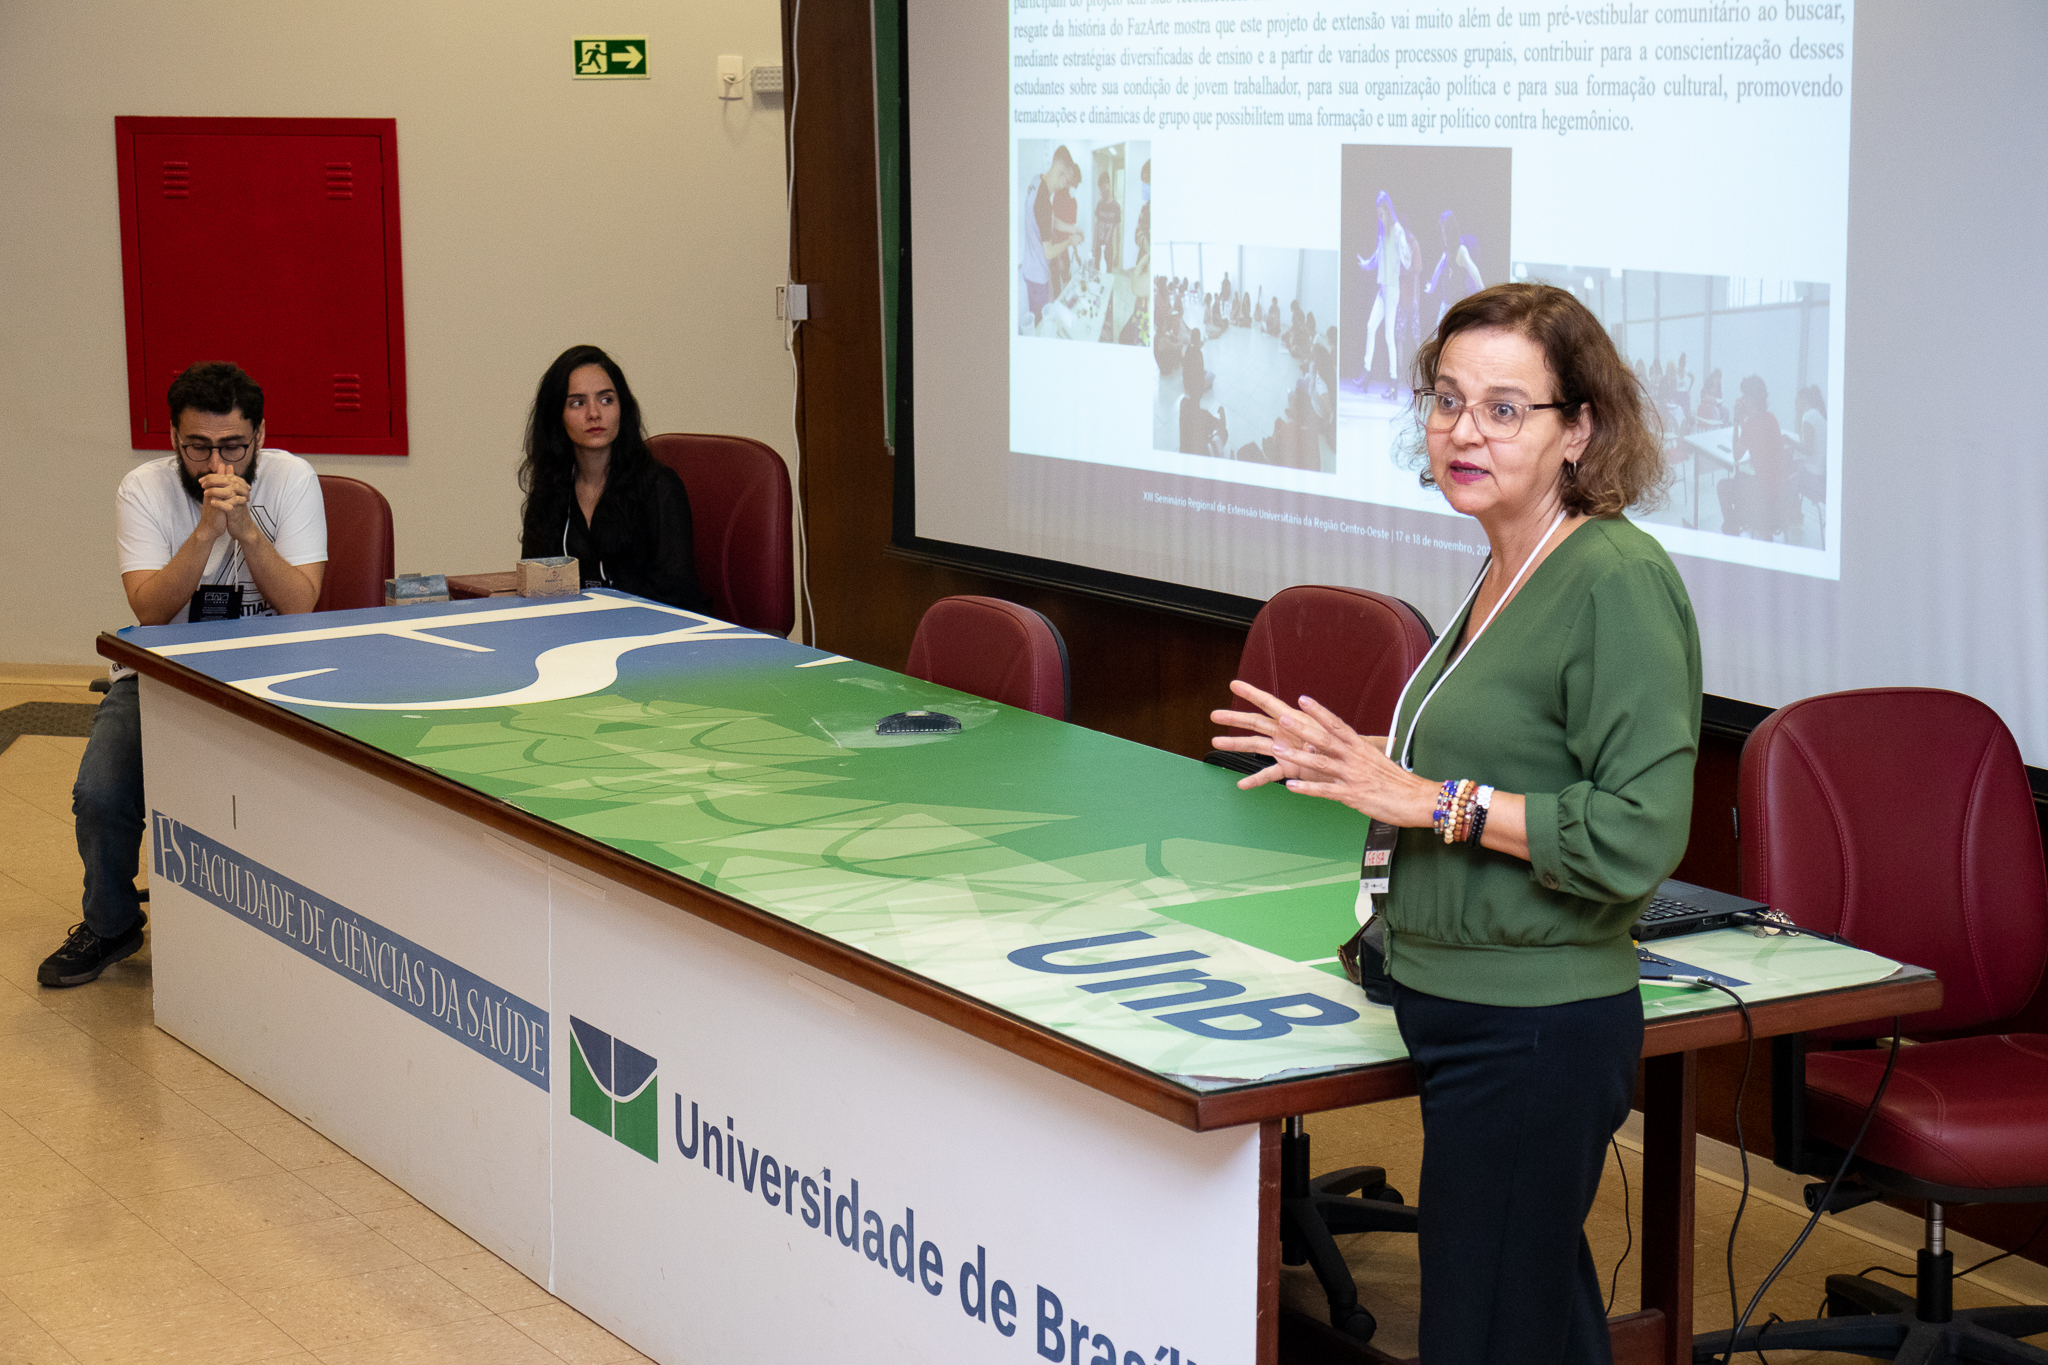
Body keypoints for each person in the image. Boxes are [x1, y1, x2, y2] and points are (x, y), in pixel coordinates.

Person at [1213, 283, 1698, 1365]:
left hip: (1532, 1025)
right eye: (1446, 400)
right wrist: (1363, 763)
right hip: (1464, 1005)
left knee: (1484, 1328)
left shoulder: (1613, 578)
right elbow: (1511, 755)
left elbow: (1637, 829)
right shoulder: (1511, 560)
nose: (1463, 431)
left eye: (1504, 408)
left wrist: (1433, 800)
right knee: (1532, 1313)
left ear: (1579, 429)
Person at [40, 363, 329, 987]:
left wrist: (246, 531)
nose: (215, 464)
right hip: (161, 673)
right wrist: (205, 531)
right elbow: (150, 610)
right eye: (197, 446)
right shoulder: (142, 490)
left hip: (272, 672)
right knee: (101, 794)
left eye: (233, 446)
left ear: (259, 435)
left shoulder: (292, 478)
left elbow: (300, 605)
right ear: (174, 436)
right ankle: (111, 924)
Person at [518, 345, 710, 613]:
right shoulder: (550, 490)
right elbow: (537, 588)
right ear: (556, 416)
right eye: (577, 403)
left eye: (606, 400)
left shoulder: (658, 487)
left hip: (650, 631)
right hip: (570, 632)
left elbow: (676, 595)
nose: (594, 413)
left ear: (623, 408)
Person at [1718, 374, 1794, 540]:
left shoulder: (1752, 424)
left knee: (1723, 486)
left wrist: (1736, 421)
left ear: (1750, 400)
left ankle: (1732, 529)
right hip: (1778, 496)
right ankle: (1736, 527)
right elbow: (1756, 441)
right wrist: (1743, 421)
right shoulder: (1770, 418)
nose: (1742, 400)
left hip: (1762, 500)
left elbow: (1736, 455)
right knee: (1739, 477)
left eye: (1744, 396)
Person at [1018, 145, 1082, 329]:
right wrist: (1070, 241)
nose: (1067, 186)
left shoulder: (1037, 181)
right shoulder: (1044, 203)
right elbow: (1048, 252)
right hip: (1038, 275)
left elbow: (1051, 221)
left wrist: (1073, 229)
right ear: (1062, 172)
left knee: (1038, 315)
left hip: (1029, 267)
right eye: (1067, 181)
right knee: (1041, 324)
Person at [1357, 190, 1413, 394]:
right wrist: (1366, 264)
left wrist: (1406, 250)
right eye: (1378, 212)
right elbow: (1378, 256)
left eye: (1381, 212)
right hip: (1382, 290)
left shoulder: (1397, 231)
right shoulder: (1382, 232)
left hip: (1392, 291)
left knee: (1389, 336)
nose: (1379, 216)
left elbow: (1406, 258)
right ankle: (1366, 374)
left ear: (1388, 210)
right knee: (1371, 326)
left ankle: (1393, 383)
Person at [1092, 169, 1122, 272]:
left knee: (1108, 277)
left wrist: (1117, 254)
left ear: (1109, 184)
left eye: (1104, 187)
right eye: (1101, 189)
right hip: (1098, 247)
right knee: (1097, 274)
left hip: (1109, 249)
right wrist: (1093, 247)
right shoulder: (1099, 204)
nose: (1103, 191)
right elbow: (1096, 227)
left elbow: (1118, 232)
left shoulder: (1116, 207)